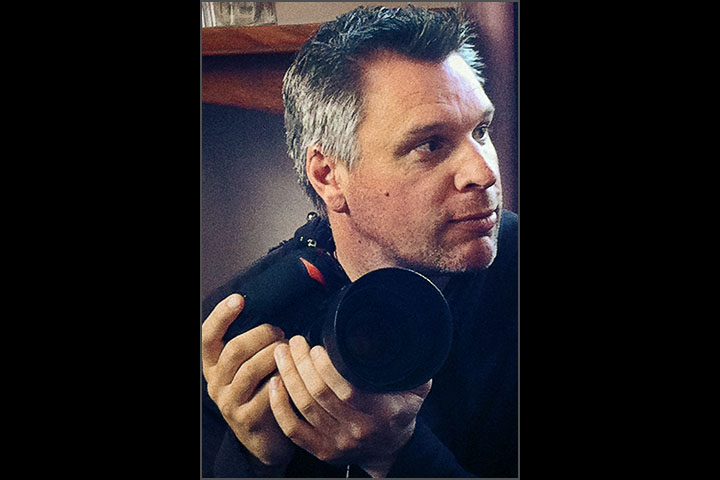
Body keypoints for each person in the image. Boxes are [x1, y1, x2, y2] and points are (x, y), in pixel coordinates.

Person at [201, 5, 518, 478]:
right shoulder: (245, 332)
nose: (485, 172)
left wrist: (398, 455)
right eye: (430, 144)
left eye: (481, 131)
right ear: (329, 176)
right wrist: (253, 460)